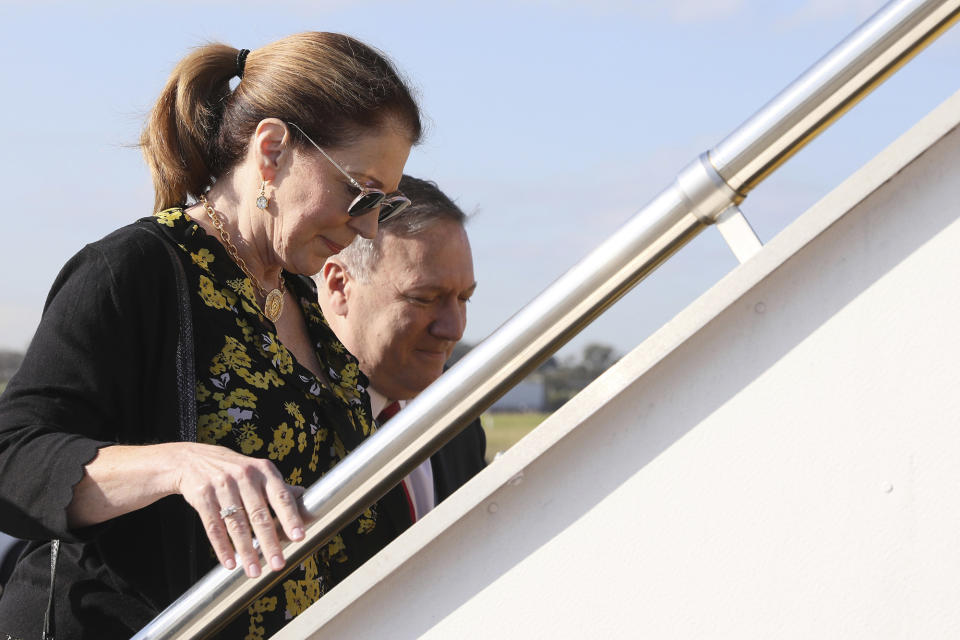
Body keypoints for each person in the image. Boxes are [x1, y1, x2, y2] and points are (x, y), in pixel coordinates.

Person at [0, 33, 421, 639]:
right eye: (359, 192)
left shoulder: (300, 299)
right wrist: (177, 465)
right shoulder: (133, 269)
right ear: (272, 150)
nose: (368, 225)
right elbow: (15, 457)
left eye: (386, 203)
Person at [315, 176, 486, 540]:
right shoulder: (288, 427)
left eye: (463, 299)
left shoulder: (457, 412)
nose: (453, 329)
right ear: (339, 286)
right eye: (425, 298)